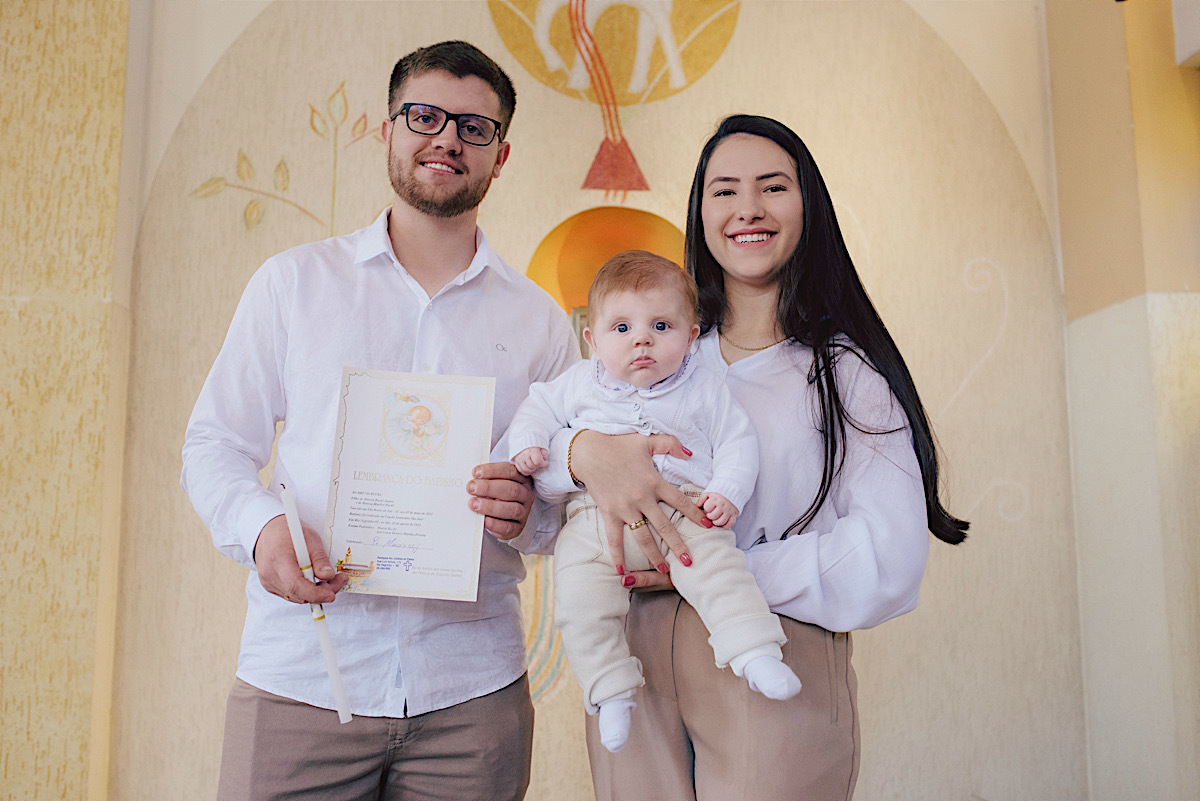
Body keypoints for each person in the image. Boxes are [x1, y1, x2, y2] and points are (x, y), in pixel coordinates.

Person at [180, 41, 578, 801]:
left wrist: (528, 516)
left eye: (474, 127)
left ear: (500, 157)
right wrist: (263, 527)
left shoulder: (540, 324)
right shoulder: (293, 285)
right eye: (423, 116)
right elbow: (214, 444)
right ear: (385, 131)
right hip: (302, 674)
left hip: (472, 694)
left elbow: (560, 510)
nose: (447, 139)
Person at [536, 115, 968, 799]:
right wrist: (579, 451)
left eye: (772, 187)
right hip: (637, 655)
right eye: (724, 191)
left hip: (771, 643)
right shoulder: (646, 356)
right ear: (700, 211)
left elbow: (890, 554)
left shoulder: (844, 373)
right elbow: (546, 476)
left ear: (808, 207)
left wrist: (718, 567)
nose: (747, 210)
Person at [508, 250, 802, 753]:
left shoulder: (705, 389)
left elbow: (737, 442)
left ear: (691, 337)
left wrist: (726, 492)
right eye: (620, 327)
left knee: (721, 573)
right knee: (578, 603)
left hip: (686, 512)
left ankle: (754, 651)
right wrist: (529, 442)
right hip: (593, 523)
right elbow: (537, 405)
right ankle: (611, 689)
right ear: (592, 340)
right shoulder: (577, 383)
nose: (641, 338)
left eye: (661, 325)